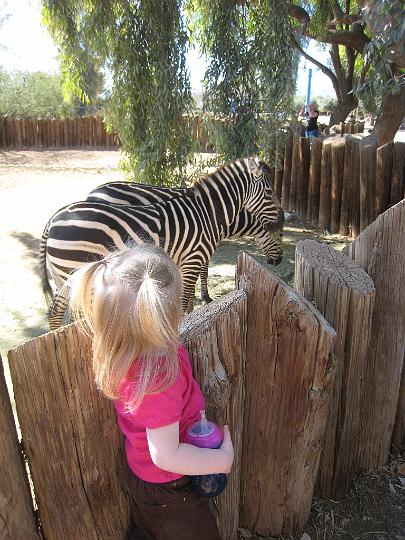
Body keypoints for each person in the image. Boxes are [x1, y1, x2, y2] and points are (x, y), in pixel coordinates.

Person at [68, 244, 234, 540]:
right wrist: (221, 460)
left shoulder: (129, 355)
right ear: (169, 314)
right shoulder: (158, 380)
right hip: (170, 488)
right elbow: (166, 455)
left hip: (146, 479)